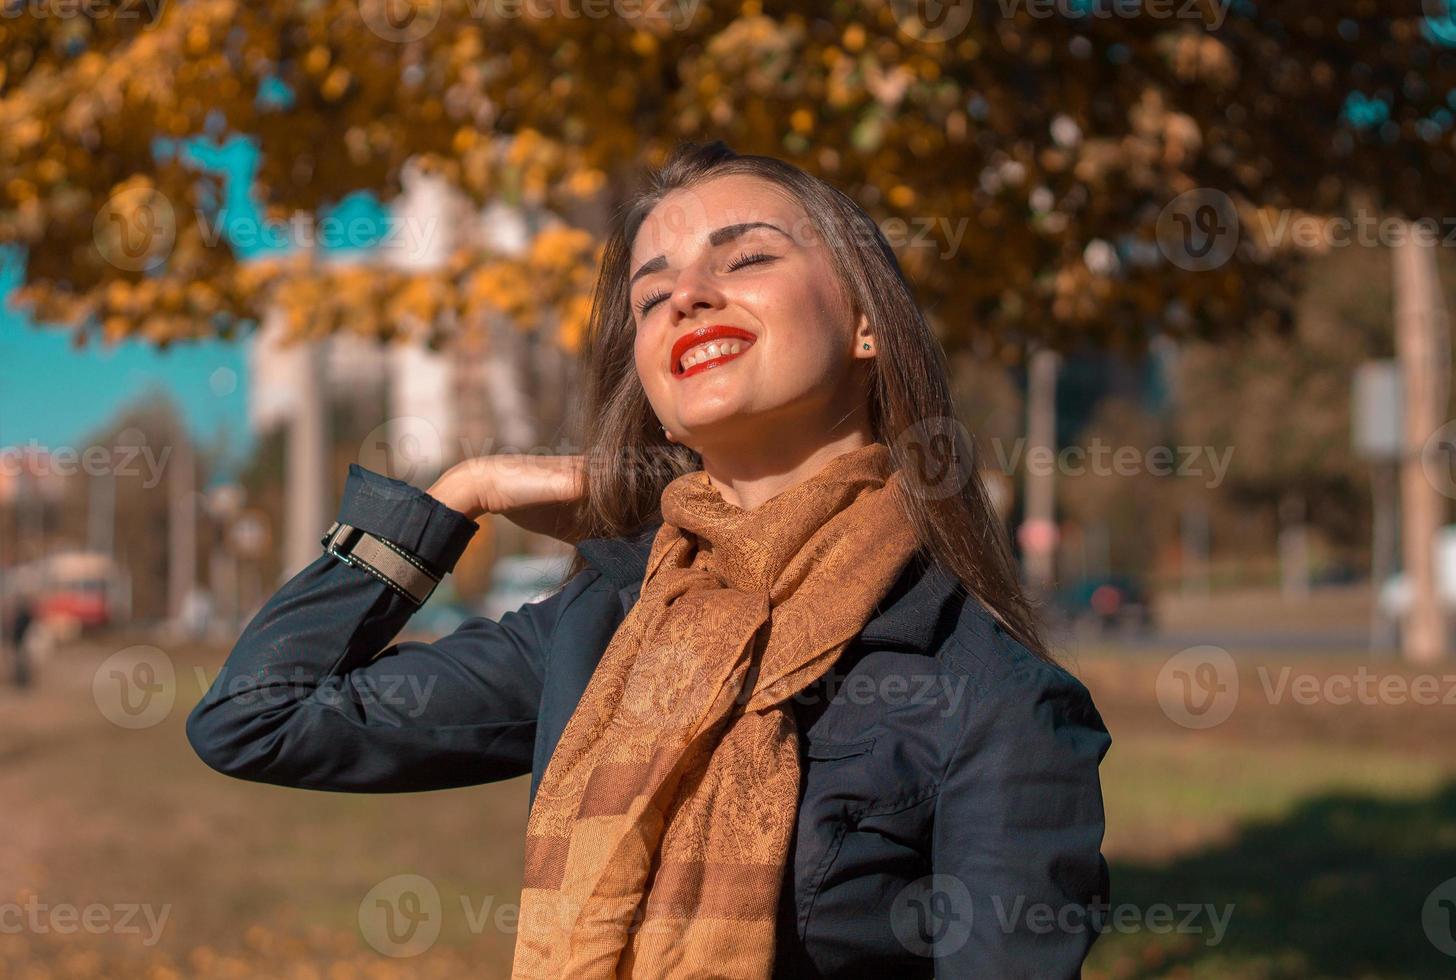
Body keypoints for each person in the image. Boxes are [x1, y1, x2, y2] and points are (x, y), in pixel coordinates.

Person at [186, 140, 1110, 978]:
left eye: (746, 258)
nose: (687, 296)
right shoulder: (597, 631)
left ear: (868, 323)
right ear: (660, 395)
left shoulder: (992, 698)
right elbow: (258, 718)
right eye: (651, 294)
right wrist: (456, 495)